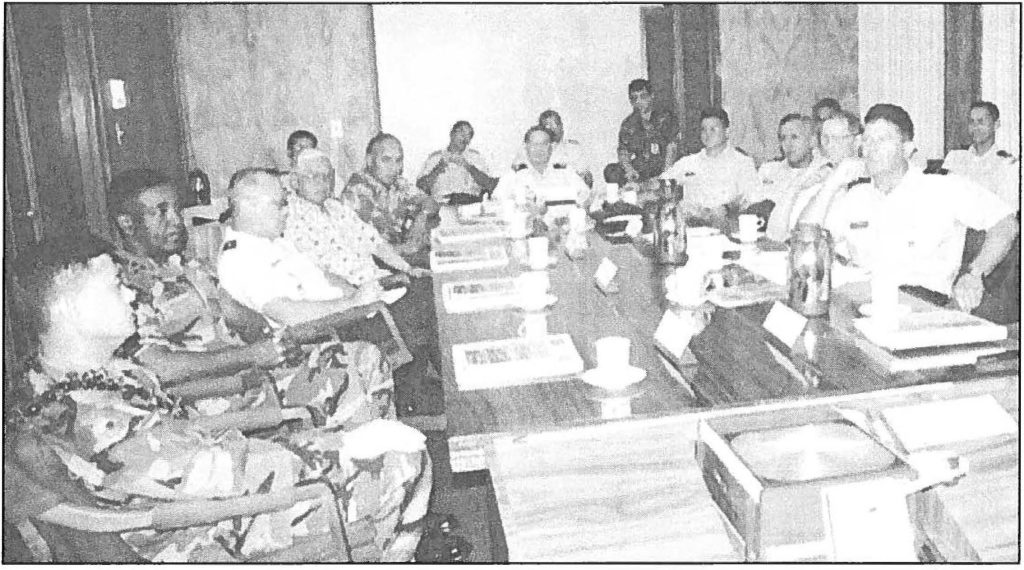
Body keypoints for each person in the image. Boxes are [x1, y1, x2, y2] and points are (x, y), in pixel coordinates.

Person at [5, 244, 429, 562]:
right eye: (116, 286)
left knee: (381, 433)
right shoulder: (98, 421)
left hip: (213, 499)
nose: (132, 296)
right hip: (210, 535)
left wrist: (334, 442)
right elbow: (226, 474)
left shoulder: (93, 380)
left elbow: (194, 451)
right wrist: (348, 447)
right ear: (70, 309)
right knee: (406, 457)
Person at [813, 103, 1018, 311]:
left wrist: (975, 274)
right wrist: (832, 183)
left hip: (919, 305)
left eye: (882, 140)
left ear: (907, 149)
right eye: (867, 140)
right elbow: (807, 237)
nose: (871, 149)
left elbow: (1006, 223)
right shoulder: (857, 196)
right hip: (860, 302)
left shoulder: (942, 189)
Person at [106, 169, 284, 385]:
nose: (176, 221)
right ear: (127, 223)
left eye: (177, 210)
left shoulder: (187, 266)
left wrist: (278, 339)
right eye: (161, 212)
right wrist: (251, 355)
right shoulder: (121, 286)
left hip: (252, 378)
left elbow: (241, 317)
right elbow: (162, 367)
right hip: (208, 400)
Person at [286, 148, 429, 287]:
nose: (322, 183)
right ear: (294, 181)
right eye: (314, 176)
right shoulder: (291, 218)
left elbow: (374, 242)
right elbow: (323, 276)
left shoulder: (336, 208)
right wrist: (383, 282)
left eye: (327, 176)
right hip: (357, 296)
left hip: (380, 280)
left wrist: (408, 269)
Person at [341, 133, 440, 267]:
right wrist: (409, 247)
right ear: (370, 161)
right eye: (386, 160)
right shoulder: (359, 192)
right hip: (376, 266)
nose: (394, 168)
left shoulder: (396, 182)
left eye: (398, 160)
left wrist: (422, 218)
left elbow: (431, 202)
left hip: (400, 256)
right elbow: (371, 251)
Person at [658, 106, 759, 226]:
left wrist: (726, 208)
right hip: (692, 228)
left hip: (726, 228)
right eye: (703, 129)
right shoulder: (689, 162)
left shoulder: (742, 162)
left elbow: (750, 198)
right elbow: (663, 182)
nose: (707, 134)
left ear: (726, 131)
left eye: (713, 129)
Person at [780, 111, 865, 240]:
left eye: (836, 138)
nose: (829, 146)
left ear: (857, 141)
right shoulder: (820, 176)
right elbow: (798, 231)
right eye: (825, 139)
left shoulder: (868, 181)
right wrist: (796, 188)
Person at [752, 114, 832, 240]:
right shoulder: (768, 170)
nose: (788, 144)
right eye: (783, 138)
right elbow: (751, 210)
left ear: (812, 141)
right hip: (763, 238)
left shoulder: (824, 172)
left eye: (794, 137)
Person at [492, 125, 591, 214]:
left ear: (551, 148)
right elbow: (495, 202)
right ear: (526, 147)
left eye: (543, 144)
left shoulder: (565, 172)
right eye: (534, 145)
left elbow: (586, 196)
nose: (539, 149)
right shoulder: (514, 176)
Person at [942, 101, 1020, 211]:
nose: (975, 127)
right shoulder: (956, 157)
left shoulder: (1008, 164)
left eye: (981, 122)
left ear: (996, 124)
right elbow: (946, 199)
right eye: (972, 122)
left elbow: (1007, 210)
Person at [604, 79, 679, 185]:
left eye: (643, 97)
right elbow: (623, 152)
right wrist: (629, 169)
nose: (638, 102)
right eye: (634, 98)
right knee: (611, 171)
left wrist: (664, 176)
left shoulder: (665, 117)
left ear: (651, 96)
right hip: (641, 169)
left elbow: (672, 148)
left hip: (662, 166)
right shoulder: (628, 123)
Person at [416, 120, 496, 201]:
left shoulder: (475, 157)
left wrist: (468, 167)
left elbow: (490, 185)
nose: (465, 137)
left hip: (470, 204)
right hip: (441, 205)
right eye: (461, 132)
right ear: (452, 134)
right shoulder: (435, 157)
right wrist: (438, 168)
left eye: (469, 135)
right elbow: (420, 188)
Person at [513, 110, 593, 188]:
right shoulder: (529, 149)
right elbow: (516, 173)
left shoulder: (573, 148)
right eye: (547, 125)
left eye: (555, 124)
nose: (553, 129)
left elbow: (586, 176)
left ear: (561, 126)